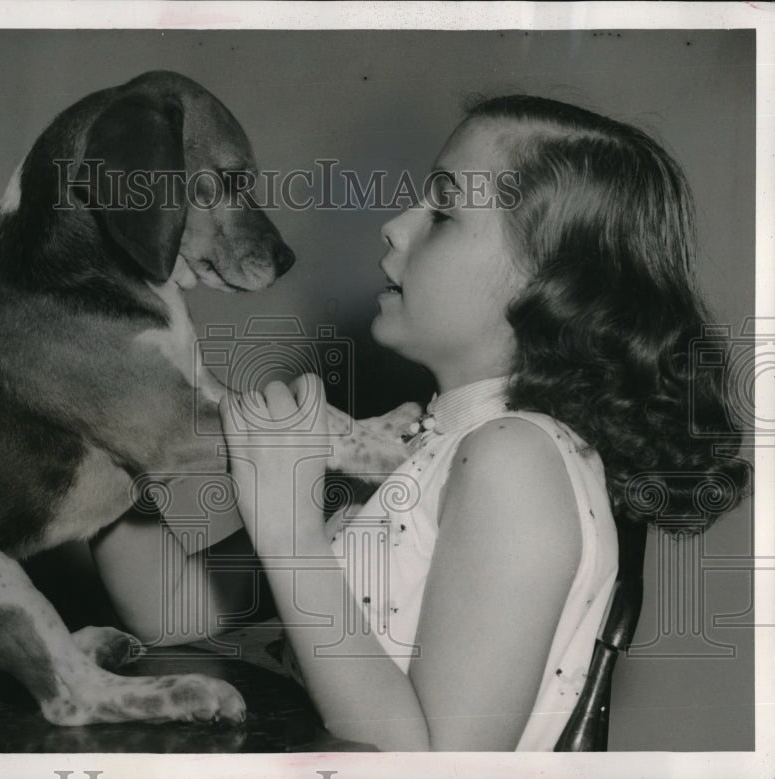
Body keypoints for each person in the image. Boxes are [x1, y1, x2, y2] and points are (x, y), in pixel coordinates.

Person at [213, 95, 750, 751]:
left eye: (441, 212)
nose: (393, 226)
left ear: (549, 284)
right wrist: (109, 420)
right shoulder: (435, 445)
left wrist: (288, 524)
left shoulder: (515, 460)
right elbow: (163, 606)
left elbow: (441, 761)